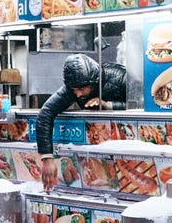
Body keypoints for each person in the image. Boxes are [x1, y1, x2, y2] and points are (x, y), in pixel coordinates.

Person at [36, 53, 127, 190]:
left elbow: (141, 103)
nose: (77, 95)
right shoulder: (72, 89)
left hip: (126, 145)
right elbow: (46, 113)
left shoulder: (119, 77)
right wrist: (47, 158)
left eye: (81, 89)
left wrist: (109, 105)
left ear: (93, 81)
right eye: (74, 90)